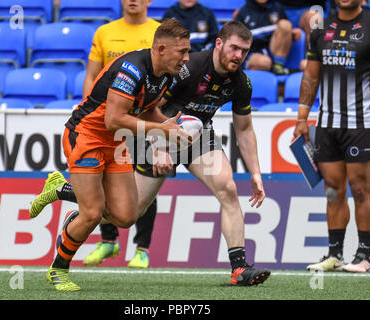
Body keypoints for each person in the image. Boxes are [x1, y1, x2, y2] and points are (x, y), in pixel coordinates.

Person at [33, 20, 271, 287]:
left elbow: (244, 128)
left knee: (222, 189)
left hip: (186, 134)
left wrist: (256, 173)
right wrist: (159, 142)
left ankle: (238, 268)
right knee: (112, 211)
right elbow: (124, 117)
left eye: (244, 51)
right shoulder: (180, 70)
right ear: (219, 43)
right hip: (132, 134)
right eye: (234, 48)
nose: (239, 56)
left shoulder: (235, 82)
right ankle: (67, 218)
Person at [44, 18, 191, 291]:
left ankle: (62, 189)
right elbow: (113, 119)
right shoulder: (132, 69)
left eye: (187, 51)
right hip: (86, 136)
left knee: (126, 216)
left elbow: (146, 109)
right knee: (91, 213)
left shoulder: (168, 74)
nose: (186, 58)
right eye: (181, 52)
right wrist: (160, 129)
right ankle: (58, 269)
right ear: (160, 49)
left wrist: (171, 129)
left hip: (117, 142)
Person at [30, 0, 163, 269]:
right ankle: (108, 242)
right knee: (99, 189)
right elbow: (92, 75)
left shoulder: (159, 34)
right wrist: (95, 111)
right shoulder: (105, 32)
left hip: (136, 122)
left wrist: (157, 129)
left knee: (141, 187)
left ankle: (141, 248)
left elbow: (155, 84)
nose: (132, 0)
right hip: (108, 121)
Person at [293, 0, 370, 272]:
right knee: (333, 191)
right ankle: (334, 255)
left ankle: (363, 257)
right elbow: (311, 76)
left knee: (361, 189)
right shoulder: (320, 28)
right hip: (326, 124)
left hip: (361, 125)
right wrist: (302, 119)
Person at [234, 0, 303, 75]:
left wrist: (294, 33)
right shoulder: (243, 12)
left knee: (285, 25)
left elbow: (287, 32)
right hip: (251, 53)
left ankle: (278, 66)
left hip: (271, 50)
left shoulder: (278, 8)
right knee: (264, 62)